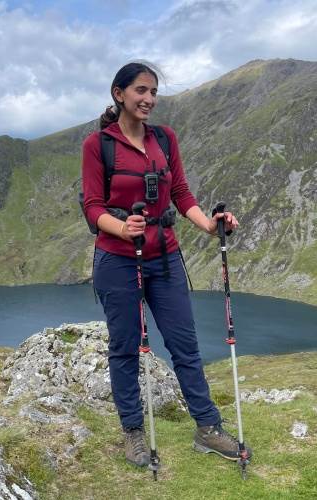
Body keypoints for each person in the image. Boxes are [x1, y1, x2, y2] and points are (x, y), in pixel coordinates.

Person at [82, 62, 251, 467]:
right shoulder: (97, 145)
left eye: (154, 92)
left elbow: (181, 194)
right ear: (119, 93)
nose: (149, 99)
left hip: (165, 257)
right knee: (124, 348)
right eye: (141, 90)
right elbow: (92, 209)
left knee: (184, 345)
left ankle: (207, 428)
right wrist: (122, 229)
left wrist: (211, 226)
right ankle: (134, 433)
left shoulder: (166, 139)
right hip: (118, 261)